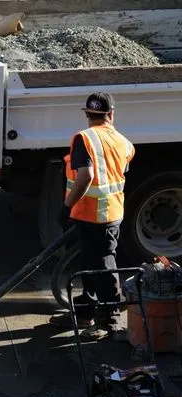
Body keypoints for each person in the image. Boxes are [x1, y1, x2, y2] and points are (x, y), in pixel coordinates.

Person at [52, 92, 135, 342]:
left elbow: (86, 176)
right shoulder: (124, 142)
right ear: (111, 114)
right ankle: (86, 312)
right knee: (91, 264)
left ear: (88, 114)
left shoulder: (84, 138)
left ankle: (110, 321)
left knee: (103, 266)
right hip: (111, 213)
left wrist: (66, 206)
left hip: (93, 215)